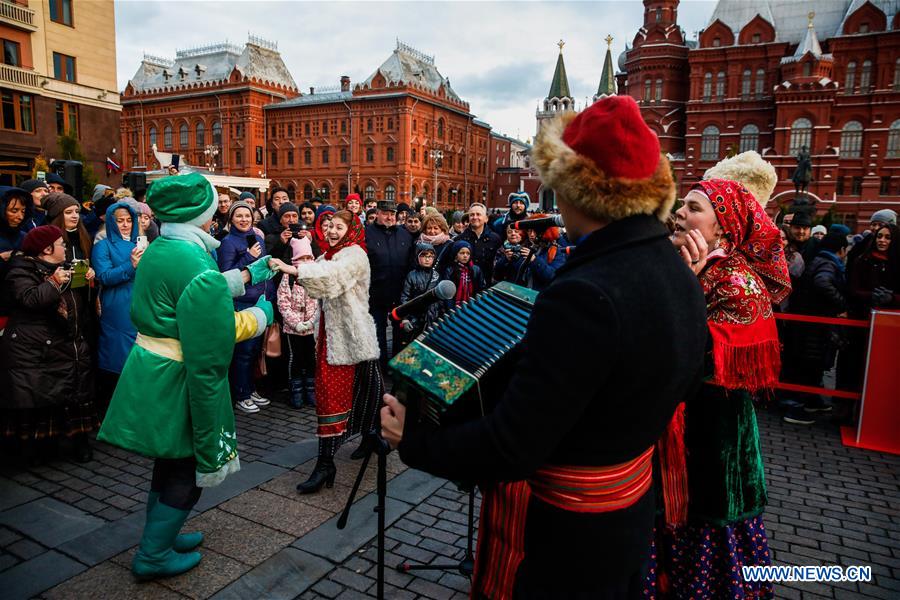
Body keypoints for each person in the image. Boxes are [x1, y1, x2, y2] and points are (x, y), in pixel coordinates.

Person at [380, 95, 707, 599]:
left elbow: (514, 445)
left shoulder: (583, 292)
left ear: (577, 189)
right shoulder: (678, 273)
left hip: (572, 535)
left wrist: (415, 442)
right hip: (630, 509)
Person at [98, 173, 276, 580]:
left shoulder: (164, 245)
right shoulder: (192, 259)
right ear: (201, 213)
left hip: (153, 367)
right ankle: (154, 554)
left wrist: (248, 274)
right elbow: (213, 329)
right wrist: (261, 315)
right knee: (188, 469)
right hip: (179, 375)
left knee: (168, 459)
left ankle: (161, 536)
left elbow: (196, 290)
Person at [662, 179, 790, 599]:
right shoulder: (688, 262)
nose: (680, 212)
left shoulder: (737, 282)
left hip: (715, 436)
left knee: (707, 524)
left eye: (694, 207)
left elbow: (696, 359)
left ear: (724, 228)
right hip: (682, 426)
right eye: (682, 204)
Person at [271, 210, 380, 494]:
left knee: (363, 391)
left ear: (352, 229)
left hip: (351, 336)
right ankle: (326, 462)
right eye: (329, 226)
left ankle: (366, 437)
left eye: (339, 227)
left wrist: (294, 270)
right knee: (335, 396)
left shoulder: (354, 255)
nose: (332, 231)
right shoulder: (327, 256)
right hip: (331, 337)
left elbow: (332, 280)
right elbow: (319, 277)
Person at [1, 225, 97, 464]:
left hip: (66, 344)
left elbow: (79, 307)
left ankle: (76, 443)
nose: (65, 247)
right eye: (60, 244)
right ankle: (38, 449)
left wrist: (88, 284)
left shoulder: (63, 268)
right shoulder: (20, 271)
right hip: (35, 349)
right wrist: (54, 282)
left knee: (73, 393)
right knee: (43, 398)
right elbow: (31, 299)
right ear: (46, 249)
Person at [218, 201, 271, 414]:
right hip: (240, 303)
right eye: (238, 216)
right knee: (243, 353)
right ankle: (241, 394)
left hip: (258, 300)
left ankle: (250, 389)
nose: (244, 219)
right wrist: (248, 256)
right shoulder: (227, 242)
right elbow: (226, 274)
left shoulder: (257, 238)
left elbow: (264, 266)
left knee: (254, 352)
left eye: (247, 215)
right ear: (231, 219)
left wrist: (270, 294)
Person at [92, 202, 143, 415]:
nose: (124, 224)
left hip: (140, 304)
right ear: (111, 221)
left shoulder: (141, 243)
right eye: (119, 220)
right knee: (115, 356)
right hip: (116, 306)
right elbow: (104, 276)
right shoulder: (103, 245)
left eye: (128, 220)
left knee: (137, 357)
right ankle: (111, 411)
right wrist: (130, 266)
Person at [365, 200, 414, 370]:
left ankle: (397, 365)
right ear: (377, 213)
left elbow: (410, 262)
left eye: (392, 214)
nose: (389, 217)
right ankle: (380, 366)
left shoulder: (404, 234)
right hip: (375, 292)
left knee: (399, 330)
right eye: (385, 213)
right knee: (378, 331)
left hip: (400, 292)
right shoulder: (367, 234)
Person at [277, 236, 318, 408]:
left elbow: (320, 302)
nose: (306, 261)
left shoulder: (316, 276)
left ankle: (310, 389)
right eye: (302, 258)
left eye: (308, 258)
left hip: (310, 327)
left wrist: (311, 321)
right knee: (296, 358)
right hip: (293, 328)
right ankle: (296, 390)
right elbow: (283, 303)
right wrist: (296, 323)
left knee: (311, 358)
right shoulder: (288, 277)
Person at [397, 242, 442, 347]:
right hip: (415, 319)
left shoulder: (436, 276)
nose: (427, 259)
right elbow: (405, 297)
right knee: (413, 346)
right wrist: (405, 318)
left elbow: (440, 299)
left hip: (432, 318)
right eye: (424, 255)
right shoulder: (412, 275)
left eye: (430, 256)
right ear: (417, 257)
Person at [455, 203, 502, 282]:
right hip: (465, 285)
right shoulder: (459, 240)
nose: (475, 217)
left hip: (487, 285)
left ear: (486, 218)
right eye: (472, 215)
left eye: (478, 214)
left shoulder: (495, 239)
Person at [442, 240, 484, 307]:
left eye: (468, 253)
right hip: (454, 306)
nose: (465, 256)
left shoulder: (475, 269)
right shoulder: (450, 270)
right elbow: (447, 293)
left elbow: (481, 289)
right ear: (456, 255)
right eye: (462, 253)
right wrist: (450, 308)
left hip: (472, 305)